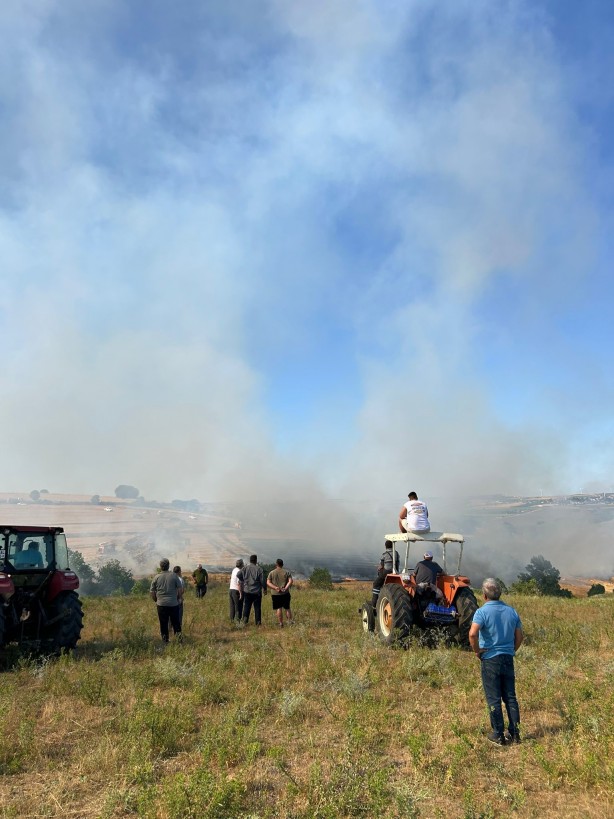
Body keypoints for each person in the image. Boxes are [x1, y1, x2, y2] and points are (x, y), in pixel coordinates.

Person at [469, 578, 523, 746]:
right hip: (507, 658)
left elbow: (472, 634)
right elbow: (520, 636)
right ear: (499, 594)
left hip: (490, 659)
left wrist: (477, 651)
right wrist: (511, 650)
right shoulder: (511, 611)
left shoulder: (482, 612)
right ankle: (515, 733)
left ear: (484, 596)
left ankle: (498, 734)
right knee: (510, 697)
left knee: (494, 698)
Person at [150, 558, 184, 644]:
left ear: (161, 567)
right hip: (173, 604)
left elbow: (152, 592)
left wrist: (156, 600)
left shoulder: (156, 577)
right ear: (168, 566)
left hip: (161, 605)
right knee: (176, 623)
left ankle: (165, 641)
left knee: (163, 623)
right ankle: (179, 641)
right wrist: (178, 598)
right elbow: (180, 589)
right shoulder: (174, 576)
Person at [371, 540, 400, 610]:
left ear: (385, 546)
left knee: (376, 584)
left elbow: (381, 566)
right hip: (395, 572)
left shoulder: (384, 554)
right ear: (392, 546)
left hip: (386, 572)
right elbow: (397, 563)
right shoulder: (396, 553)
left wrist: (379, 568)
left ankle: (374, 604)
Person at [267, 558, 293, 627]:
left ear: (276, 564)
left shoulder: (271, 573)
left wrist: (275, 588)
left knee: (279, 608)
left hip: (275, 594)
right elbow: (290, 581)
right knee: (287, 608)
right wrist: (285, 588)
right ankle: (290, 622)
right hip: (285, 593)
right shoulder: (287, 572)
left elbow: (268, 582)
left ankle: (281, 623)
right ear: (282, 564)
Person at [242, 554, 267, 626]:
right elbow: (262, 581)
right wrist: (265, 589)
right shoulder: (259, 569)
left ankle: (244, 622)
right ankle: (258, 623)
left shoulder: (245, 568)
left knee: (246, 607)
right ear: (256, 560)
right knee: (257, 608)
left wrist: (244, 581)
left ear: (250, 560)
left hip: (247, 591)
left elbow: (238, 575)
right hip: (257, 592)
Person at [173, 566, 185, 630]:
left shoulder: (170, 578)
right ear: (179, 571)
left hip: (171, 601)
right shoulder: (180, 579)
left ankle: (170, 630)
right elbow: (182, 591)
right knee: (179, 616)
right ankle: (178, 631)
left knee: (171, 617)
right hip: (178, 601)